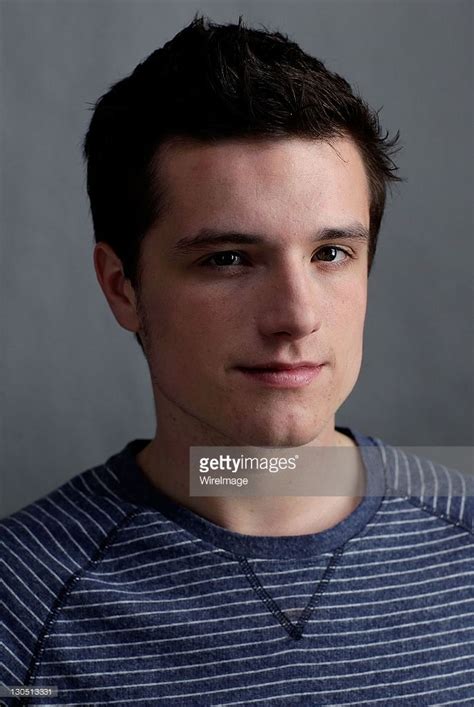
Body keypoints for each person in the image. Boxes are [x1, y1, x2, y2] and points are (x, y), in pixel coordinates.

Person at [1, 14, 472, 706]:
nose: (297, 315)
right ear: (122, 287)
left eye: (331, 254)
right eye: (228, 259)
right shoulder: (19, 602)